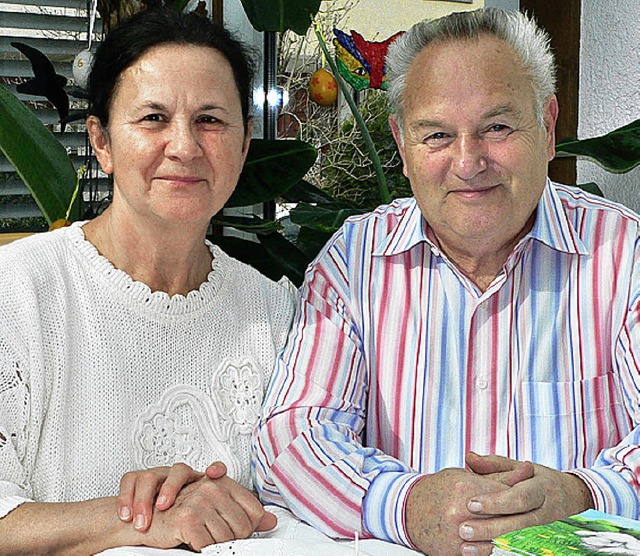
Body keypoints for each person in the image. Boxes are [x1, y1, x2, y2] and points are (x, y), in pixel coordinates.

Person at [253, 7, 640, 556]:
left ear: (548, 128)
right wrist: (405, 505)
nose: (467, 161)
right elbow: (291, 438)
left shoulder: (625, 255)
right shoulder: (354, 262)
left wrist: (584, 493)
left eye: (497, 127)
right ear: (403, 146)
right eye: (436, 134)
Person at [0, 7, 296, 554]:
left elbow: (303, 504)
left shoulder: (276, 312)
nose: (184, 146)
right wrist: (138, 521)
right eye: (153, 118)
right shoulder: (17, 292)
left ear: (245, 143)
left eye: (210, 120)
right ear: (103, 143)